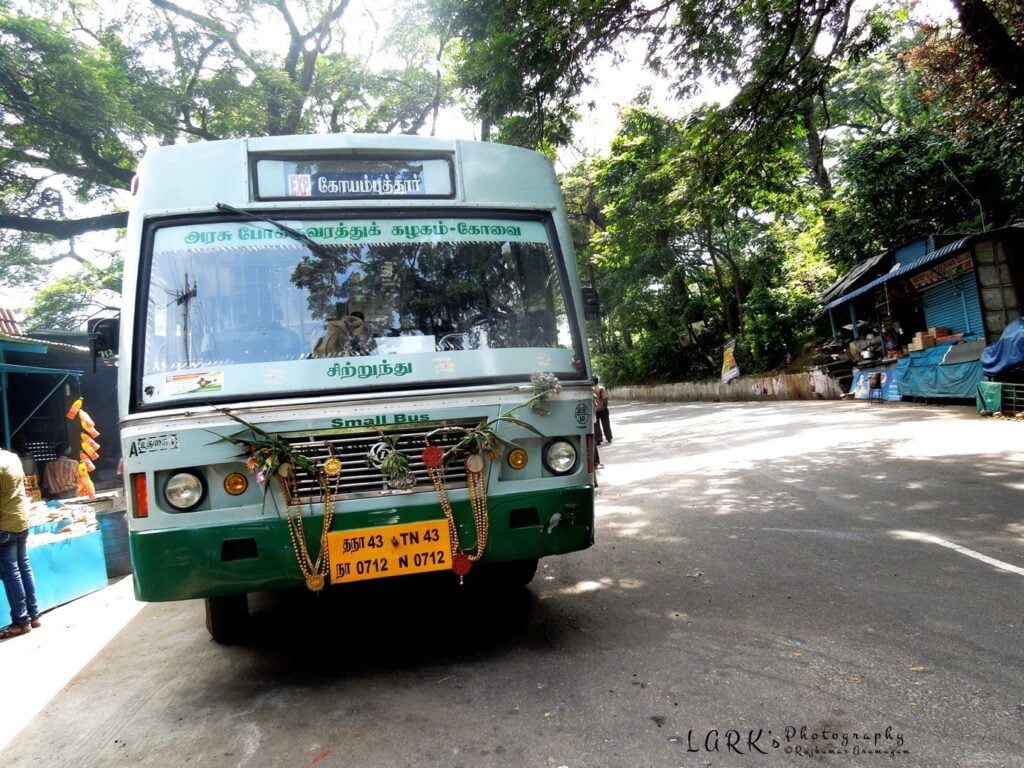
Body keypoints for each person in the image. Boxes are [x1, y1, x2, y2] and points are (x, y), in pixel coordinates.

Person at [0, 446, 40, 640]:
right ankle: (33, 614)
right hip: (21, 520)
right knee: (23, 566)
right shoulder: (11, 457)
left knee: (10, 572)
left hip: (4, 524)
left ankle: (21, 621)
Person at [593, 376, 612, 445]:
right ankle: (608, 437)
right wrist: (604, 405)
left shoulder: (590, 390)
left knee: (596, 425)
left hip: (595, 410)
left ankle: (598, 439)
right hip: (603, 409)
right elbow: (605, 398)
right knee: (606, 424)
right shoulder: (601, 388)